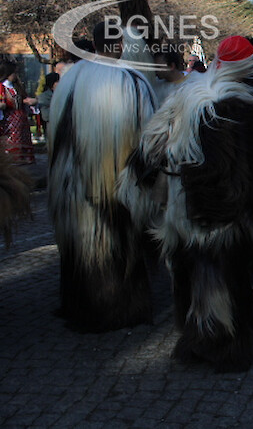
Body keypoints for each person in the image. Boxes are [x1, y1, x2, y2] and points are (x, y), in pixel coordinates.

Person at [117, 36, 253, 371]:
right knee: (226, 274)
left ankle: (195, 336)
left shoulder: (184, 97)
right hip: (225, 210)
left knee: (189, 273)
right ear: (248, 68)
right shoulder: (243, 107)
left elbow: (150, 148)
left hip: (182, 206)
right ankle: (224, 344)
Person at [48, 22, 158, 332]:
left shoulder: (71, 79)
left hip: (71, 184)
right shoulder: (130, 80)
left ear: (94, 44)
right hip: (114, 186)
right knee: (117, 249)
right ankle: (119, 309)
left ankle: (77, 304)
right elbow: (147, 139)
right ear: (121, 44)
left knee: (79, 250)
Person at [0, 61, 36, 165]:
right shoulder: (2, 87)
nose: (15, 75)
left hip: (20, 118)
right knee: (11, 139)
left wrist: (33, 101)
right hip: (9, 119)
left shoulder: (16, 87)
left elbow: (23, 99)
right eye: (14, 73)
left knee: (22, 139)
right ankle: (12, 159)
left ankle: (23, 158)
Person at [37, 72, 59, 141]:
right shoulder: (44, 97)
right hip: (52, 131)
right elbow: (46, 116)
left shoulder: (64, 96)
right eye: (57, 81)